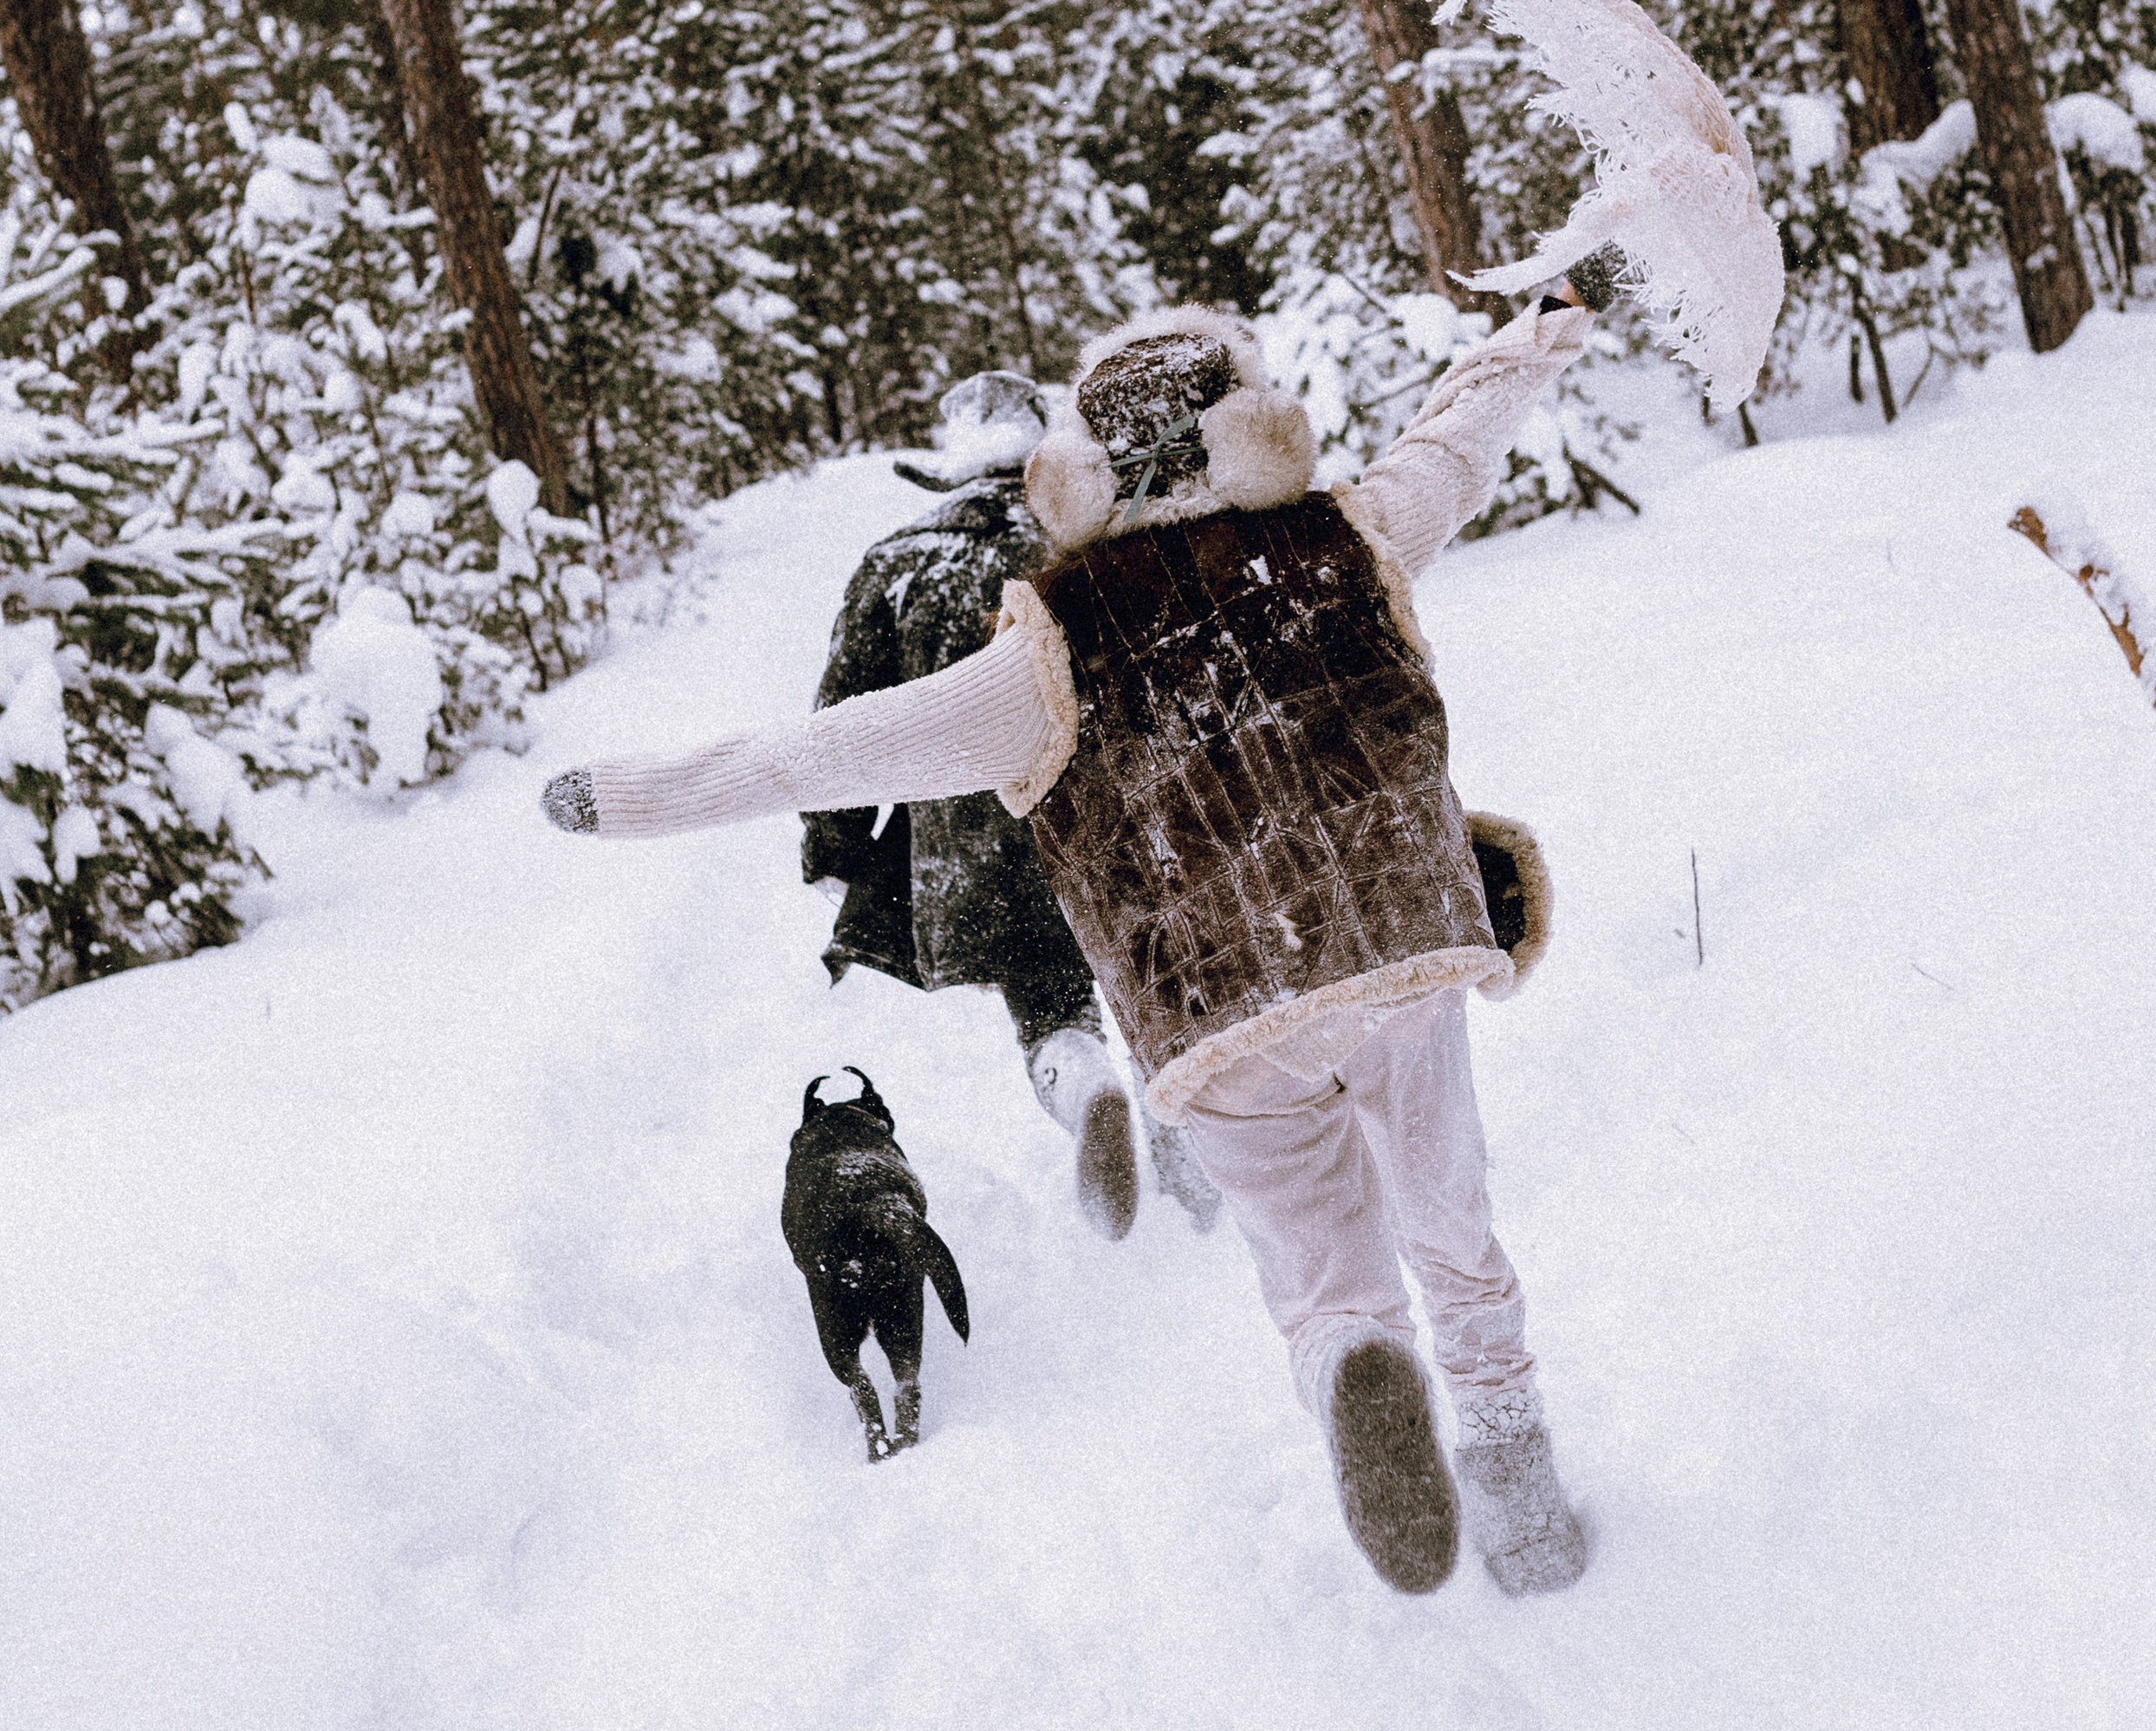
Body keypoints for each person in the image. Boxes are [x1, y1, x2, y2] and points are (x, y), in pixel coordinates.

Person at [542, 288, 1595, 1598]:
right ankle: (1524, 1509)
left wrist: (621, 796)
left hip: (1218, 1022)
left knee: (1321, 1273)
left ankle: (1348, 1355)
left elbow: (824, 752)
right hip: (1396, 953)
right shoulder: (1350, 533)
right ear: (1251, 430)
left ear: (1082, 474)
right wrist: (1551, 319)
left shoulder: (1046, 651)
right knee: (1454, 1228)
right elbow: (1458, 436)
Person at [798, 368, 1217, 1240]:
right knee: (1160, 985)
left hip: (980, 843)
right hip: (1124, 819)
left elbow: (841, 728)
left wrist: (834, 849)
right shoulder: (1092, 536)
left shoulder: (899, 564)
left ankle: (1080, 1081)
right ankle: (1193, 1170)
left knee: (1046, 999)